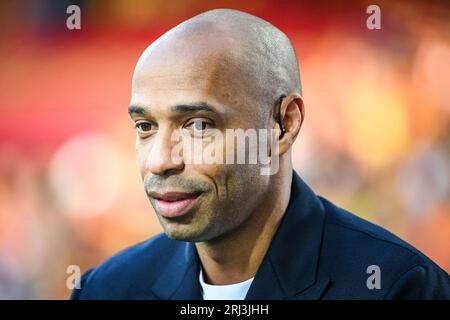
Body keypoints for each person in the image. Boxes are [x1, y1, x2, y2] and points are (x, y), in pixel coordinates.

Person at [71, 8, 450, 300]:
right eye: (145, 127)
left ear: (284, 124)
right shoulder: (105, 289)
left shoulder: (398, 285)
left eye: (199, 126)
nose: (159, 160)